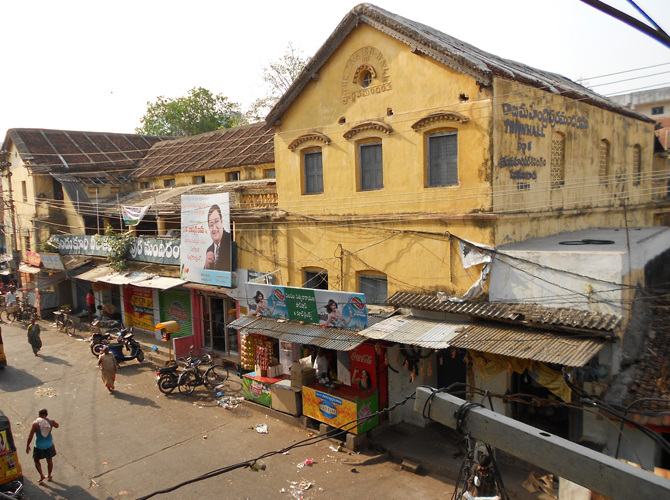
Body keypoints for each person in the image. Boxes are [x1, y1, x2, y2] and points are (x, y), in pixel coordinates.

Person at [26, 408, 59, 483]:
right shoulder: (51, 422)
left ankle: (41, 475)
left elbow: (30, 436)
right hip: (49, 444)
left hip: (39, 446)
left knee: (36, 460)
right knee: (49, 460)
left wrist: (27, 445)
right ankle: (49, 475)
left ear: (39, 415)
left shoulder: (36, 424)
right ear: (47, 415)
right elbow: (57, 426)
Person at [204, 204, 231, 272]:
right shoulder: (209, 250)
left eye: (216, 221)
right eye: (211, 224)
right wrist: (206, 266)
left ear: (221, 221)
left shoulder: (230, 241)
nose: (214, 228)